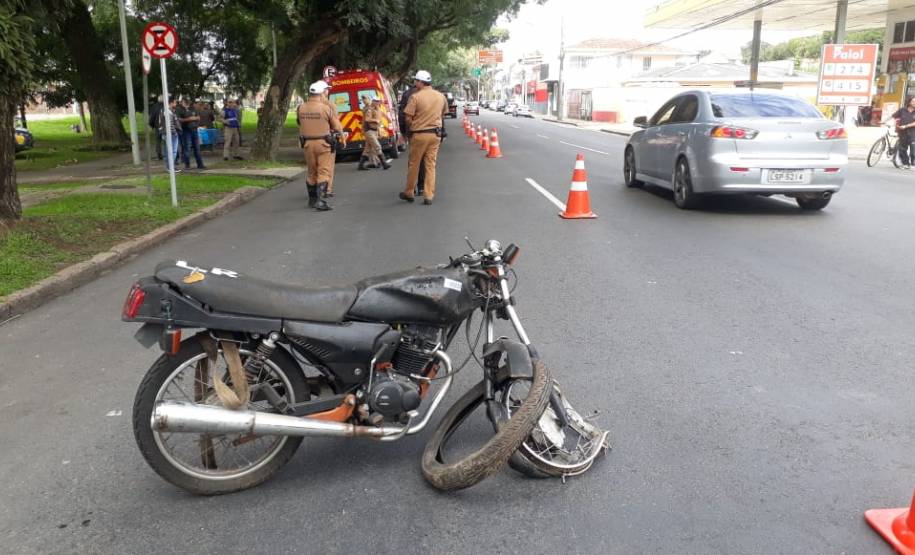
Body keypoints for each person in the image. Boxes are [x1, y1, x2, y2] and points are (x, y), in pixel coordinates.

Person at [400, 70, 447, 205]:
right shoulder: (440, 96)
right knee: (431, 165)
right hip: (435, 135)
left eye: (416, 81)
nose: (415, 83)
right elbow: (443, 114)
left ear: (420, 82)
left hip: (419, 135)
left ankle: (409, 192)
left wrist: (414, 125)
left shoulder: (416, 97)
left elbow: (407, 117)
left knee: (414, 164)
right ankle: (428, 195)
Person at [297, 80, 345, 211]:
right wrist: (342, 137)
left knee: (311, 172)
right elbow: (336, 126)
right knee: (324, 171)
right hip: (323, 143)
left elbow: (299, 123)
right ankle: (320, 200)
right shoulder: (325, 108)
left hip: (307, 144)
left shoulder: (300, 108)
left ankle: (312, 200)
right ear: (321, 93)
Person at [398, 85, 425, 196]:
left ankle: (411, 188)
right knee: (424, 160)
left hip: (413, 132)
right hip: (427, 130)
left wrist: (404, 132)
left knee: (413, 161)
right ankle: (422, 187)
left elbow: (402, 114)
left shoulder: (408, 94)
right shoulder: (429, 94)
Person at [360, 97, 390, 171]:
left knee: (367, 149)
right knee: (377, 146)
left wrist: (388, 118)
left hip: (375, 130)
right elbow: (367, 119)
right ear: (373, 101)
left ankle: (360, 165)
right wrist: (375, 120)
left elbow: (382, 114)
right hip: (369, 131)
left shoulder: (378, 109)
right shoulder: (369, 109)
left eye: (378, 101)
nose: (378, 103)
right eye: (376, 101)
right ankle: (384, 164)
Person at [176, 98, 206, 170]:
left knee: (197, 148)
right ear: (182, 102)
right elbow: (178, 119)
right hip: (186, 130)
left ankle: (200, 164)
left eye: (188, 101)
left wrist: (194, 119)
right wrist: (189, 119)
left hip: (194, 129)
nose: (187, 103)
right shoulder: (179, 109)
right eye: (185, 101)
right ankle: (187, 165)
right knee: (187, 148)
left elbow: (198, 117)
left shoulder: (193, 108)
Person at [889, 97, 915, 169]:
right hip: (902, 132)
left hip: (913, 132)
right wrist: (884, 121)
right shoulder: (902, 110)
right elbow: (893, 116)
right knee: (902, 149)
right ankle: (906, 163)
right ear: (909, 102)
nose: (914, 103)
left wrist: (906, 126)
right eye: (913, 101)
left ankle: (913, 164)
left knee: (913, 149)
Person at [158, 97, 181, 172]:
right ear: (171, 103)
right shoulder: (168, 111)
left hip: (167, 133)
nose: (176, 104)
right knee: (172, 151)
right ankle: (170, 167)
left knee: (168, 151)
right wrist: (175, 132)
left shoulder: (164, 110)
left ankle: (169, 166)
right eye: (175, 102)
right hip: (171, 133)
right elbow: (169, 124)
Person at [149, 95, 164, 160]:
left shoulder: (154, 107)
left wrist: (151, 125)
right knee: (166, 140)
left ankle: (159, 154)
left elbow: (152, 117)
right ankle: (168, 153)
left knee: (158, 140)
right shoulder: (166, 106)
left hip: (157, 126)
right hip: (165, 126)